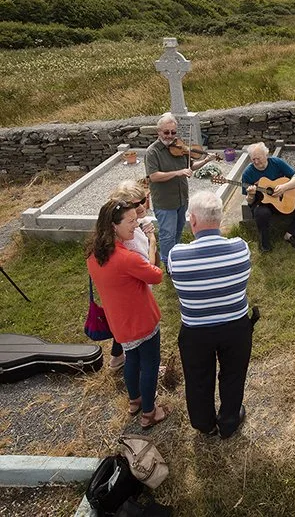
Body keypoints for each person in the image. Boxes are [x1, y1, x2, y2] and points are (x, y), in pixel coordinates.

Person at [167, 191, 253, 439]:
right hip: (236, 326)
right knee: (233, 374)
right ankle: (229, 420)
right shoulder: (241, 248)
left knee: (197, 377)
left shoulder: (176, 255)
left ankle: (204, 424)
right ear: (220, 218)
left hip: (196, 330)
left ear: (193, 220)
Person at [86, 199, 170, 429]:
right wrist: (152, 244)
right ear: (114, 226)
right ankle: (150, 413)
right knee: (150, 364)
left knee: (132, 359)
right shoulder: (126, 258)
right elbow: (156, 275)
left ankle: (135, 401)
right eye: (131, 221)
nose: (136, 224)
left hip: (119, 322)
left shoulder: (93, 254)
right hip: (141, 320)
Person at [102, 180, 160, 371]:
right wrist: (152, 242)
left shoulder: (129, 227)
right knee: (138, 335)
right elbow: (148, 269)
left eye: (143, 200)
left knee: (125, 327)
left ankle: (117, 358)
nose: (142, 206)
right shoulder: (129, 239)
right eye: (135, 204)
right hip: (137, 286)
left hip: (128, 288)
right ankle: (138, 368)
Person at [145, 113, 213, 268]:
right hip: (165, 202)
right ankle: (168, 264)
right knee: (167, 235)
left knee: (177, 232)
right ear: (158, 132)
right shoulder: (152, 152)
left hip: (181, 199)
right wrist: (178, 172)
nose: (170, 136)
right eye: (166, 132)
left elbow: (191, 166)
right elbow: (154, 176)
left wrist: (206, 160)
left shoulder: (180, 147)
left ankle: (175, 258)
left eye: (173, 132)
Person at [241, 142, 295, 252]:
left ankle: (291, 234)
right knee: (261, 213)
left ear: (266, 154)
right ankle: (265, 245)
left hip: (281, 198)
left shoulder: (276, 162)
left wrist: (284, 187)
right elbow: (250, 201)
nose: (256, 162)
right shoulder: (247, 173)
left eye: (258, 158)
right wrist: (251, 195)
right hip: (262, 203)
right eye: (253, 159)